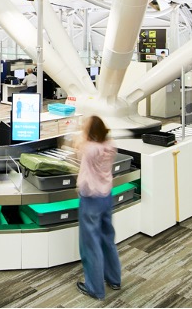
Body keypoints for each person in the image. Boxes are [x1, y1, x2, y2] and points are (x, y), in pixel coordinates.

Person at [73, 115, 122, 300]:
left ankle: (95, 288)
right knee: (107, 239)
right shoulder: (110, 145)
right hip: (106, 196)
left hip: (90, 199)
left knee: (91, 245)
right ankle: (114, 279)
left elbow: (79, 145)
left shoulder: (90, 149)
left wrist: (81, 133)